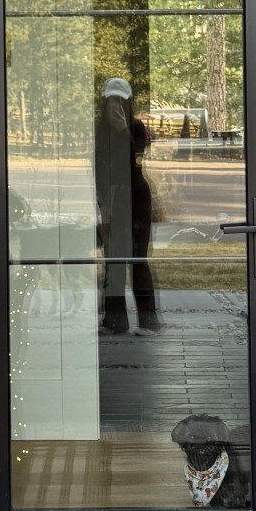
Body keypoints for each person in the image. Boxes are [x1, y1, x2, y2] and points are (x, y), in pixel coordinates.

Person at [94, 77, 161, 333]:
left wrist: (123, 132)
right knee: (114, 259)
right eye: (111, 101)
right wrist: (104, 206)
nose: (115, 107)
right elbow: (99, 170)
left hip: (136, 198)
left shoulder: (136, 128)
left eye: (120, 101)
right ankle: (114, 320)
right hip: (112, 199)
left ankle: (148, 319)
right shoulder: (100, 130)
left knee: (138, 258)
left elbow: (134, 165)